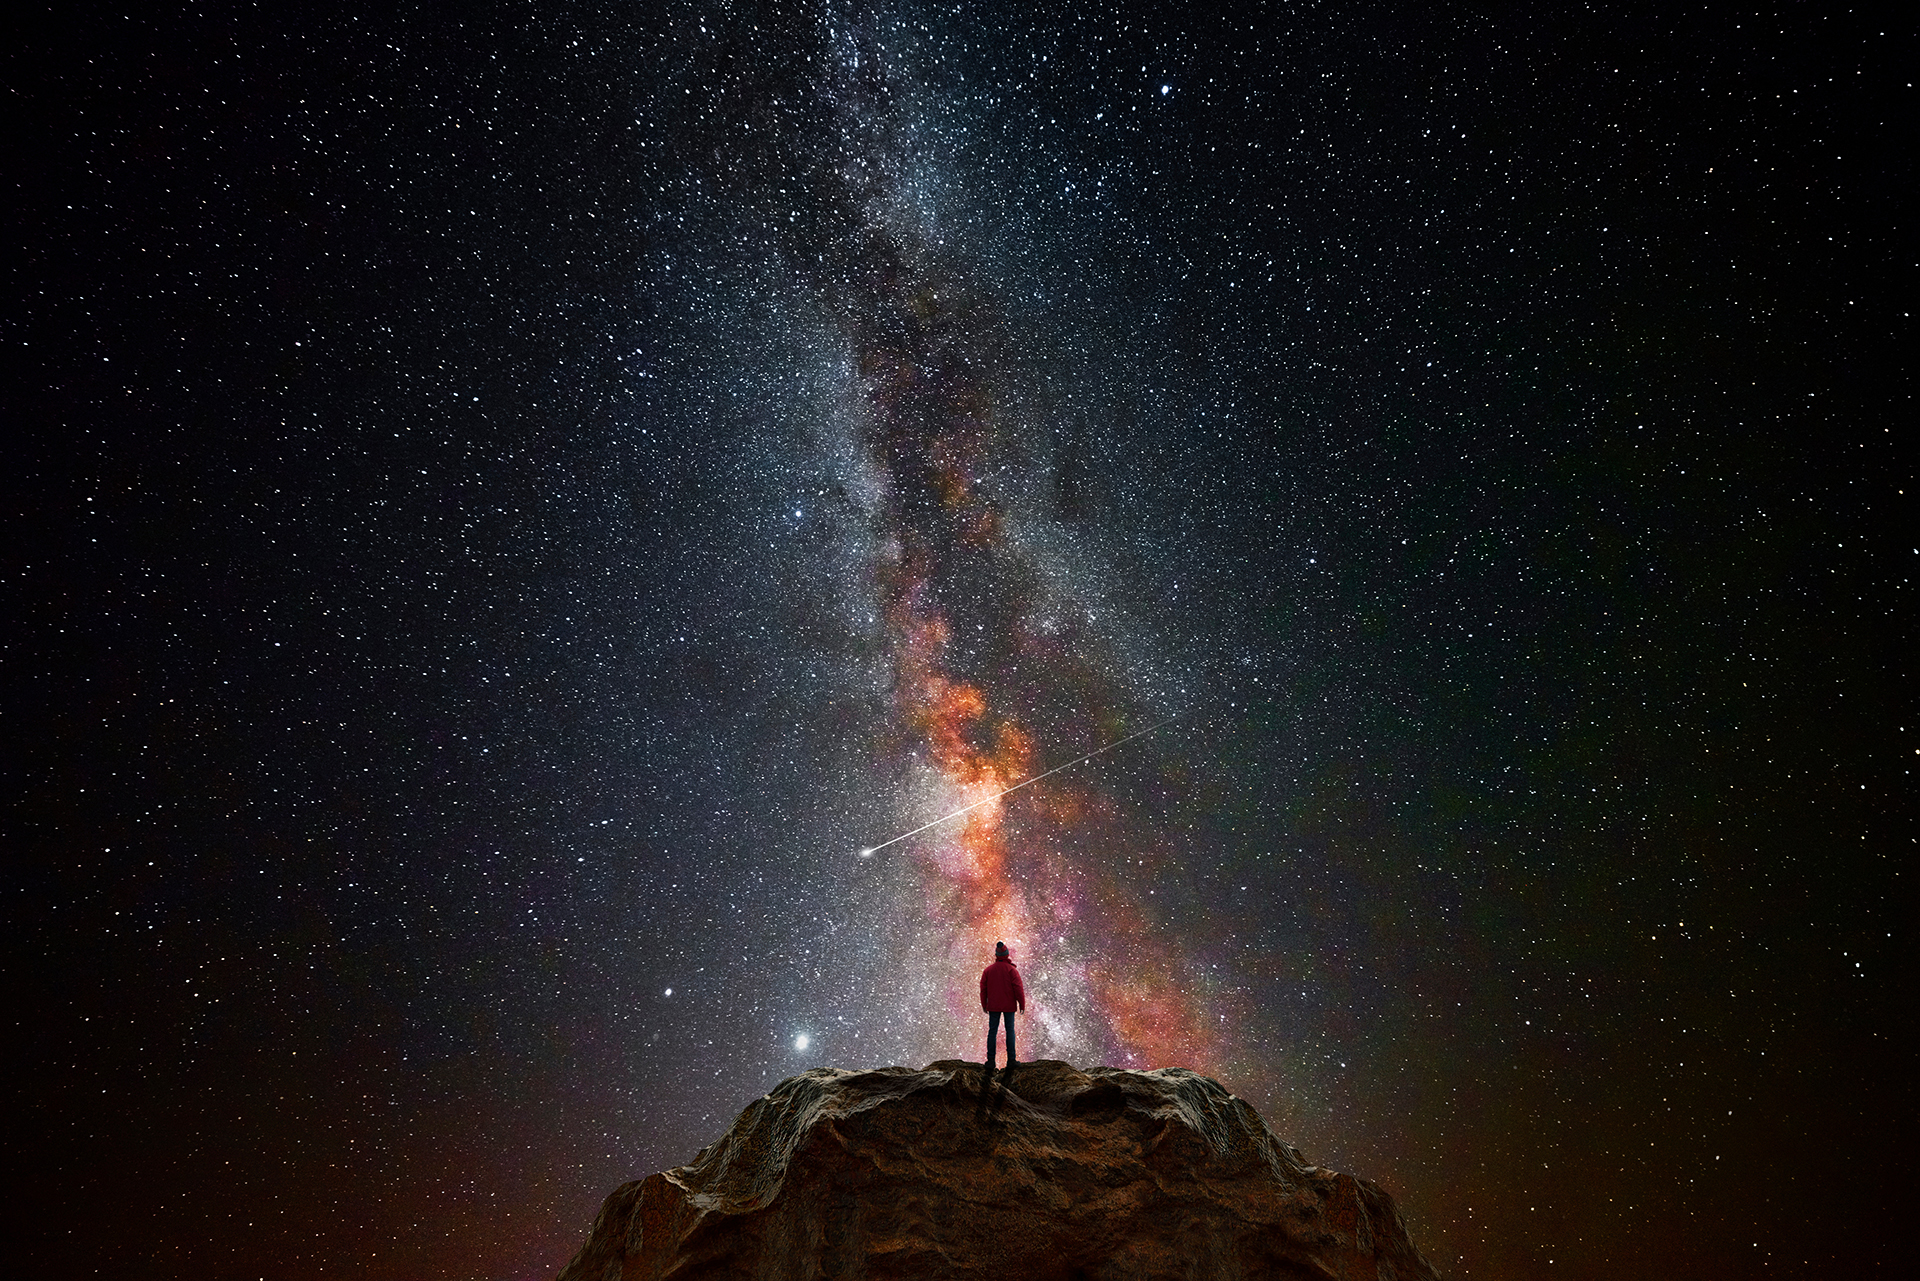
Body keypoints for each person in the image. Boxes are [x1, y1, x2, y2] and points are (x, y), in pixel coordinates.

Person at [979, 940, 1026, 1070]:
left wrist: (984, 1004)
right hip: (1009, 1005)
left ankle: (990, 1061)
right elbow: (1018, 988)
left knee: (992, 1032)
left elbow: (983, 989)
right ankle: (1011, 1060)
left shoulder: (988, 971)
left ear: (996, 955)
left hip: (993, 1006)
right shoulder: (1012, 970)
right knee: (1010, 1030)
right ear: (1006, 954)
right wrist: (1022, 1004)